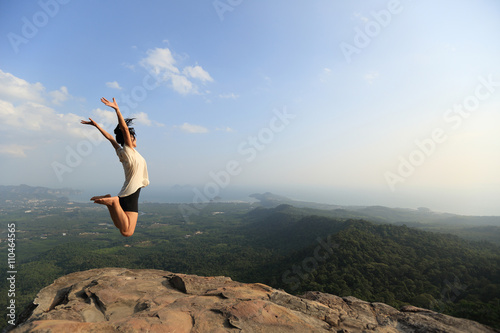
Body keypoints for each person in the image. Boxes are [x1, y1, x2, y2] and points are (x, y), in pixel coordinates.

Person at [81, 97, 149, 237]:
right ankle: (113, 201)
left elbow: (111, 138)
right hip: (131, 192)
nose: (135, 139)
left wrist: (96, 126)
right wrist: (117, 110)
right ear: (129, 139)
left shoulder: (123, 152)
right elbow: (123, 129)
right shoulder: (128, 150)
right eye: (133, 137)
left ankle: (111, 202)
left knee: (122, 227)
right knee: (127, 232)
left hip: (126, 192)